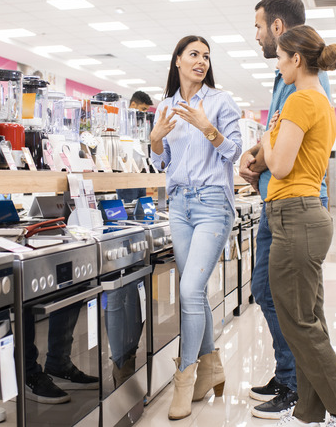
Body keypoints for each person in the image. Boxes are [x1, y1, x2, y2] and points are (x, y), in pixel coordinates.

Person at [261, 25, 336, 427]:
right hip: (305, 215)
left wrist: (265, 141)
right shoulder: (321, 101)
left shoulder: (302, 100)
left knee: (298, 323)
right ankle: (308, 413)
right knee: (307, 319)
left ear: (296, 58)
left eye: (281, 58)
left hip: (294, 216)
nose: (279, 65)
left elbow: (281, 165)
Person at [238, 0, 332, 420]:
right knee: (276, 294)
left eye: (259, 26)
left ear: (279, 30)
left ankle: (301, 388)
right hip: (283, 202)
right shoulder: (289, 81)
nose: (257, 36)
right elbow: (274, 139)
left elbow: (282, 156)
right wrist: (255, 154)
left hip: (295, 205)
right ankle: (291, 378)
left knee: (293, 305)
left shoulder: (303, 87)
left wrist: (260, 157)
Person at [149, 35, 242, 420]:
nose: (201, 61)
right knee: (195, 292)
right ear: (177, 61)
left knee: (188, 289)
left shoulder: (220, 103)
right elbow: (162, 162)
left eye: (205, 56)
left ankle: (184, 380)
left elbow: (234, 151)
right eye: (194, 55)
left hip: (213, 205)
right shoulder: (165, 107)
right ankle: (213, 368)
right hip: (180, 206)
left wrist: (208, 128)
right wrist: (154, 141)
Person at [117, 90, 155, 203]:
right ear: (133, 104)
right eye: (143, 109)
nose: (144, 113)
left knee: (141, 210)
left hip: (141, 175)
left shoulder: (141, 127)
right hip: (127, 177)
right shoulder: (122, 124)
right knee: (129, 210)